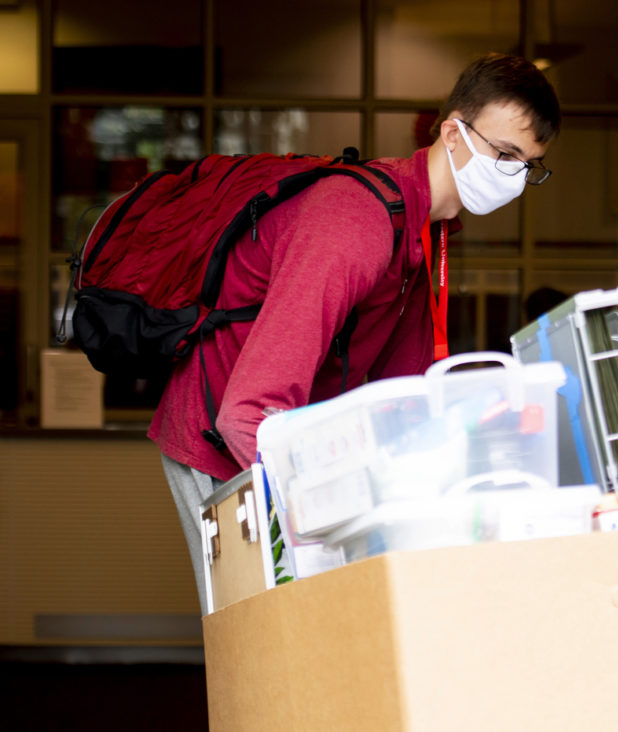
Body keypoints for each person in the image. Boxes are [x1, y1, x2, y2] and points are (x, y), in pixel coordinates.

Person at [150, 53, 561, 613]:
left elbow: (408, 395)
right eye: (505, 155)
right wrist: (333, 512)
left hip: (285, 433)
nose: (515, 175)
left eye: (529, 165)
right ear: (453, 133)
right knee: (267, 640)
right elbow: (248, 411)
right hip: (223, 438)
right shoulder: (355, 225)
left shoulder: (425, 231)